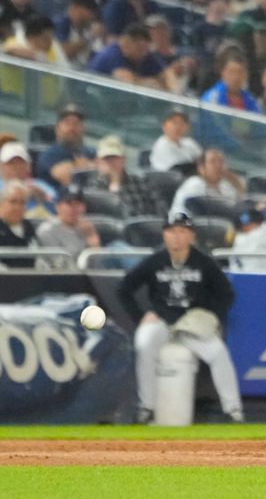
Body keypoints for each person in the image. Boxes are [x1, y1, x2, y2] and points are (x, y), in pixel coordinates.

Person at [118, 212, 244, 424]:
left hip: (192, 323)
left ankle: (233, 411)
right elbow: (124, 288)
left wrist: (213, 317)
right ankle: (146, 406)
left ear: (191, 235)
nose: (176, 236)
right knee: (144, 344)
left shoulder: (204, 263)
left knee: (219, 353)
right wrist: (140, 316)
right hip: (162, 320)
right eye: (171, 231)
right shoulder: (155, 261)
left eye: (182, 231)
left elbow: (227, 294)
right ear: (164, 235)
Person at [85, 134, 159, 217]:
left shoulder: (142, 182)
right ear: (99, 162)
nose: (111, 163)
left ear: (124, 159)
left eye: (115, 158)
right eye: (107, 159)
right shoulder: (93, 188)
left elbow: (160, 210)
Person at [35, 103, 97, 190]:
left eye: (76, 123)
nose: (72, 128)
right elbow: (66, 178)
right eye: (67, 123)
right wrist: (87, 167)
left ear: (83, 129)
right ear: (57, 129)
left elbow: (105, 169)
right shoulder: (48, 155)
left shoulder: (91, 152)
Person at [170, 148, 244, 216]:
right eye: (213, 162)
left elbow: (236, 207)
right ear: (201, 168)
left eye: (221, 162)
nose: (218, 166)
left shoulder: (225, 185)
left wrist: (235, 182)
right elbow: (197, 212)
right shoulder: (194, 184)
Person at [36, 184, 101, 260]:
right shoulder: (47, 231)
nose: (74, 208)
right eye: (69, 203)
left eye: (77, 203)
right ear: (58, 207)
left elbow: (97, 264)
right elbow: (58, 266)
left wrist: (92, 239)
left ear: (84, 207)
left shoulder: (87, 228)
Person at [150, 108, 203, 175]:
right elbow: (175, 171)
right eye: (174, 123)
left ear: (187, 127)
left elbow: (204, 160)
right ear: (164, 126)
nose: (178, 127)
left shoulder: (189, 143)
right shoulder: (162, 146)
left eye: (182, 123)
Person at [0, 180, 39, 268]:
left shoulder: (28, 226)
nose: (17, 207)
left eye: (22, 202)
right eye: (13, 201)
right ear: (1, 203)